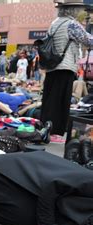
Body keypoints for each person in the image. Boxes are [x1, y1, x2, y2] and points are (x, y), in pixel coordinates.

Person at [41, 1, 93, 142]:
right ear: (73, 10)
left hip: (52, 65)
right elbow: (88, 40)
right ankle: (54, 132)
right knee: (60, 100)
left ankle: (45, 127)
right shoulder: (72, 24)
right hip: (65, 65)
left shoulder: (55, 23)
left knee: (49, 98)